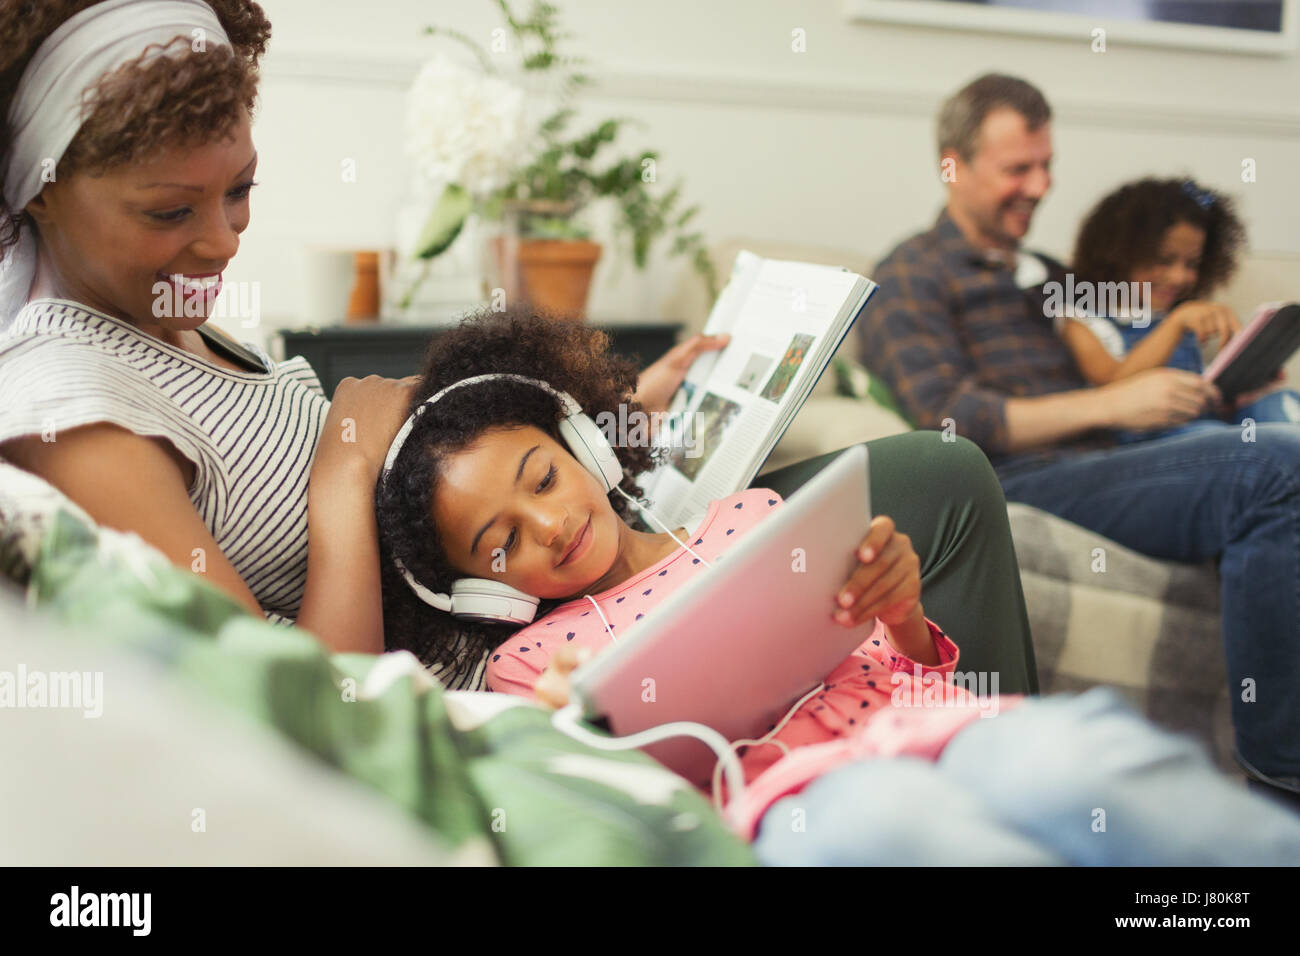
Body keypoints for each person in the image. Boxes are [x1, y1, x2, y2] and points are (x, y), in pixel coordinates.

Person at [0, 1, 1037, 695]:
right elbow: (291, 710)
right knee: (930, 480)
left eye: (239, 192)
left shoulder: (162, 315)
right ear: (39, 184)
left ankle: (952, 740)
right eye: (169, 209)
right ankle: (973, 748)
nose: (222, 240)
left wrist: (625, 417)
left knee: (914, 490)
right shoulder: (68, 409)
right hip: (520, 647)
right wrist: (342, 475)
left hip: (549, 570)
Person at [372, 307, 1300, 864]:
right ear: (479, 595)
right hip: (791, 797)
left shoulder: (745, 523)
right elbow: (595, 791)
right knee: (896, 830)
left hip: (929, 724)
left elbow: (894, 660)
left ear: (581, 445)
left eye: (543, 479)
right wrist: (579, 719)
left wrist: (901, 611)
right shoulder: (529, 660)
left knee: (1077, 766)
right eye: (500, 546)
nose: (549, 526)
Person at [859, 72, 1300, 797]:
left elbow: (1122, 362)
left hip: (1119, 458)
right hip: (1019, 475)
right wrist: (1113, 408)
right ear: (954, 165)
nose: (1039, 186)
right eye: (1017, 169)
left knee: (1269, 442)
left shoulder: (1051, 276)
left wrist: (1218, 389)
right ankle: (1282, 780)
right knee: (1276, 470)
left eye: (1047, 166)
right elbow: (950, 416)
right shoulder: (911, 274)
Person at [1064, 176, 1300, 440]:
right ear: (1118, 252)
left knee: (1277, 402)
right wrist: (1174, 325)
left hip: (1210, 423)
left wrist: (1244, 380)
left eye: (1192, 264)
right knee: (1210, 435)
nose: (1179, 277)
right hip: (1151, 438)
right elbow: (1111, 388)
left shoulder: (1177, 315)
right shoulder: (1082, 320)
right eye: (1163, 260)